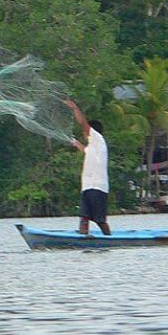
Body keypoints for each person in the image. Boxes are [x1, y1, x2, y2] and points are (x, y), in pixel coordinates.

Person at [63, 99, 111, 235]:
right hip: (87, 186)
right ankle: (82, 238)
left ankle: (109, 240)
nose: (84, 133)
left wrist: (75, 108)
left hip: (97, 187)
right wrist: (74, 142)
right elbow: (85, 150)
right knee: (84, 217)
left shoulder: (97, 138)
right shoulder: (93, 146)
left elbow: (83, 123)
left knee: (100, 220)